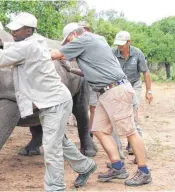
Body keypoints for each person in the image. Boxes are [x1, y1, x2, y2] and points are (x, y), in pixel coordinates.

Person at [0, 12, 97, 191]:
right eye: (12, 28)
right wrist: (5, 44)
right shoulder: (35, 41)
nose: (12, 31)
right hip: (49, 101)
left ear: (29, 30)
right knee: (58, 141)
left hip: (55, 102)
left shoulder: (26, 47)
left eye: (17, 29)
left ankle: (55, 188)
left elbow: (0, 59)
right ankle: (86, 166)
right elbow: (18, 49)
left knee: (51, 149)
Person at [51, 22, 152, 186]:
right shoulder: (96, 40)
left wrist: (29, 52)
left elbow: (55, 54)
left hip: (115, 91)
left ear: (74, 35)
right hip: (106, 92)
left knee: (130, 131)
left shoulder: (84, 39)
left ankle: (144, 171)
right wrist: (70, 69)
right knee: (98, 130)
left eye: (68, 41)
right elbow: (92, 70)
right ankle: (117, 167)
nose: (68, 45)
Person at [112, 31, 153, 156]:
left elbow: (145, 72)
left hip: (134, 84)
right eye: (118, 44)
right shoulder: (112, 53)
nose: (120, 47)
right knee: (118, 116)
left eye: (122, 44)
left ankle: (136, 147)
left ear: (129, 42)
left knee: (133, 113)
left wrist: (149, 91)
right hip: (118, 86)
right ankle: (122, 148)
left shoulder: (137, 53)